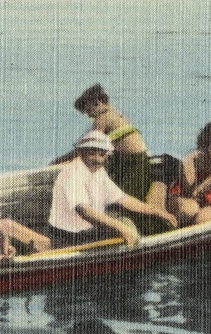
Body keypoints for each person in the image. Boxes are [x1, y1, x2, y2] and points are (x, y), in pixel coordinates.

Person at [69, 83, 172, 236]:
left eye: (88, 111)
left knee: (124, 201)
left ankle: (149, 229)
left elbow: (91, 143)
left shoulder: (102, 117)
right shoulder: (117, 113)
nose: (89, 116)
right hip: (133, 161)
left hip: (134, 164)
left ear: (97, 103)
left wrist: (66, 159)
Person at [47, 130, 178, 248]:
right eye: (92, 153)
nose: (98, 159)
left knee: (127, 222)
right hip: (70, 234)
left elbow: (123, 199)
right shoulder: (73, 174)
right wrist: (121, 228)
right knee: (126, 227)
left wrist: (157, 212)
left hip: (88, 228)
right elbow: (85, 211)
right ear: (81, 153)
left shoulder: (98, 171)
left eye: (102, 154)